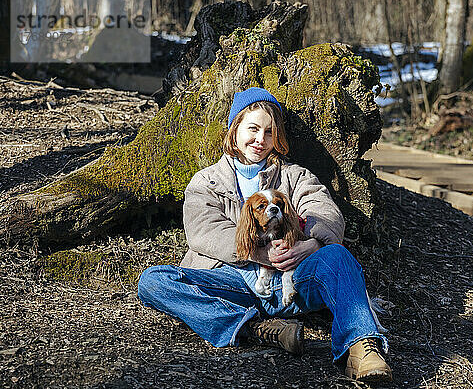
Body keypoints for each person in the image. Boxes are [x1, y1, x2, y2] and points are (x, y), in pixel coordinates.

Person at [137, 87, 392, 382]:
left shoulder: (294, 176)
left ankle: (362, 348)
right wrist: (258, 253)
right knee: (154, 281)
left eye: (269, 132)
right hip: (234, 282)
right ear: (234, 130)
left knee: (336, 255)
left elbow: (325, 211)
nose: (260, 140)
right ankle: (256, 328)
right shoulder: (206, 181)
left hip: (294, 279)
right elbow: (203, 231)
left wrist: (309, 244)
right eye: (253, 129)